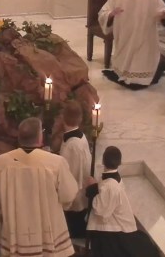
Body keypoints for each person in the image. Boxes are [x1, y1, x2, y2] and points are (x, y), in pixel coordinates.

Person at [0, 117, 79, 257]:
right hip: (48, 233)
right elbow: (68, 195)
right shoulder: (55, 163)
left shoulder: (1, 163)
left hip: (15, 232)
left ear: (19, 137)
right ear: (40, 137)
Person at [98, 0, 165, 90]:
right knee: (123, 68)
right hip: (125, 37)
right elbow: (103, 13)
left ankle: (158, 66)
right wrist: (111, 14)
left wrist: (163, 16)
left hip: (144, 38)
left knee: (144, 69)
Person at [85, 146, 159, 257]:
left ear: (103, 161)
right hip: (115, 226)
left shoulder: (111, 185)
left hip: (114, 231)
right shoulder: (113, 179)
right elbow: (104, 192)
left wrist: (91, 188)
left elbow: (102, 212)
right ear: (120, 162)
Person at [58, 101, 92, 239]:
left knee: (73, 218)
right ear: (80, 119)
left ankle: (76, 231)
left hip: (75, 189)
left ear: (63, 117)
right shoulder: (80, 136)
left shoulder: (73, 145)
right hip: (78, 185)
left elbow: (73, 171)